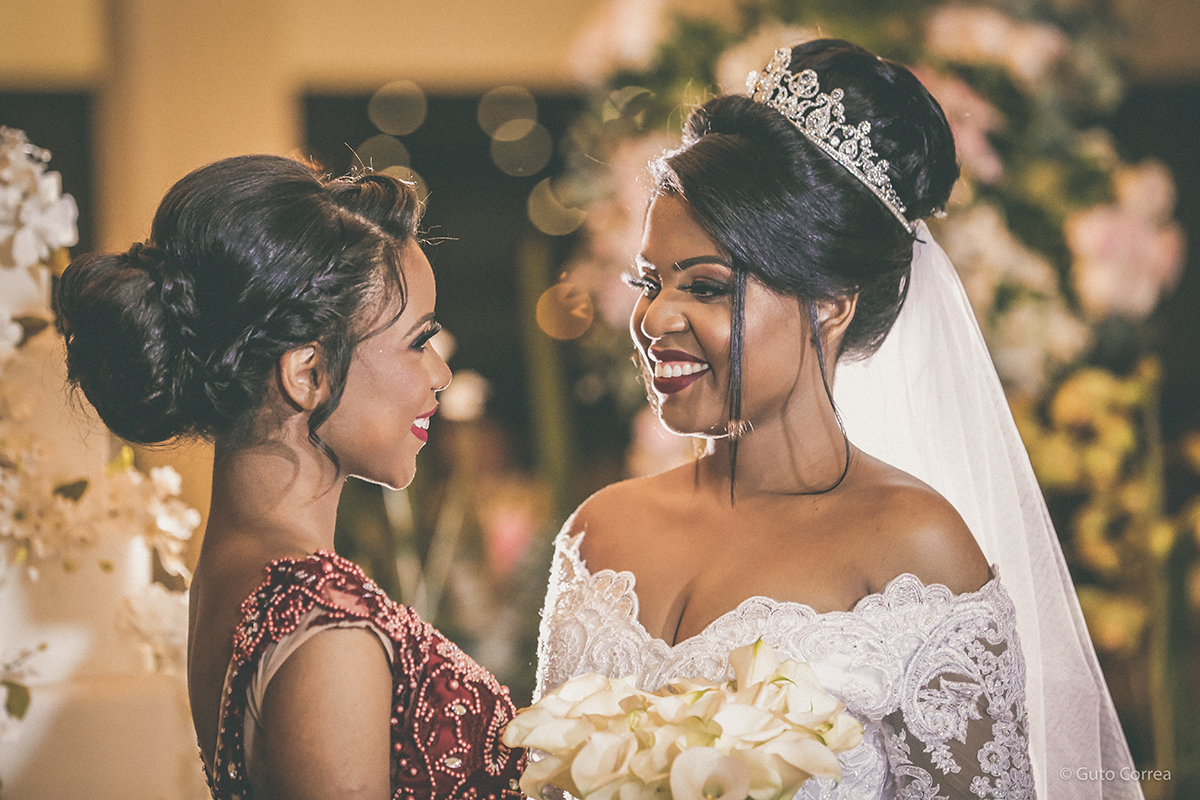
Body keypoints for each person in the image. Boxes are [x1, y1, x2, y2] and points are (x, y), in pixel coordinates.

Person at [535, 40, 1141, 798]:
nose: (654, 318)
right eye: (649, 282)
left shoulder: (916, 552)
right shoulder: (598, 535)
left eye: (707, 287)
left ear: (828, 305)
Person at [55, 155, 525, 800]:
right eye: (419, 342)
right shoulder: (324, 624)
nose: (440, 375)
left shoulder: (233, 572)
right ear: (308, 374)